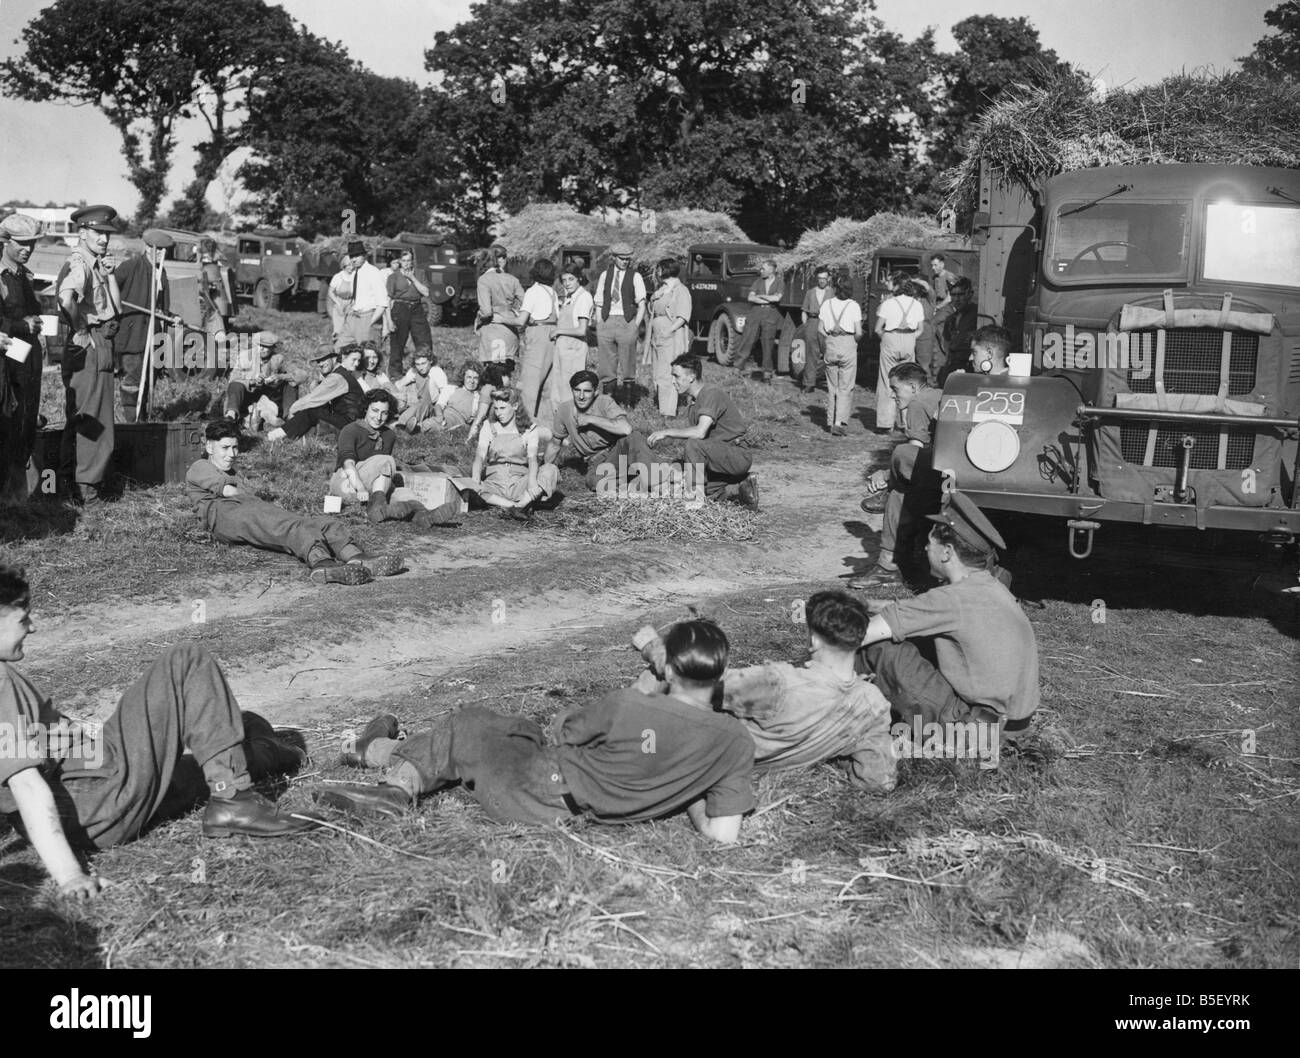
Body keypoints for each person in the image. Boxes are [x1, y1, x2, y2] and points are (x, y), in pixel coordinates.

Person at [0, 562, 321, 900]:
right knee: (187, 660)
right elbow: (26, 785)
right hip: (100, 790)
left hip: (87, 815)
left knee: (220, 745)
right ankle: (234, 799)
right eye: (23, 619)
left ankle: (262, 748)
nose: (32, 628)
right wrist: (70, 877)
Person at [313, 619, 755, 845]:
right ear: (721, 672)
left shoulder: (631, 706)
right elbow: (723, 837)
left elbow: (565, 731)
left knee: (468, 722)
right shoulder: (734, 742)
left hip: (532, 791)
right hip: (576, 814)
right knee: (519, 728)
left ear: (671, 668)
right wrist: (694, 793)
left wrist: (638, 693)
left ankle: (392, 787)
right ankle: (377, 747)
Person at [631, 591, 895, 792]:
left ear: (814, 640)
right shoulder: (873, 703)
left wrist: (653, 647)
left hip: (717, 759)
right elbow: (877, 778)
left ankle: (637, 749)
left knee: (656, 679)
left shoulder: (777, 683)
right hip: (769, 768)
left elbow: (695, 679)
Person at [857, 492, 1040, 749]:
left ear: (947, 552)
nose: (925, 547)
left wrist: (817, 650)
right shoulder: (992, 587)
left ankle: (835, 714)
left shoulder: (950, 600)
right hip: (1013, 726)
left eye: (930, 542)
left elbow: (859, 634)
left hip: (977, 733)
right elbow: (933, 612)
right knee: (918, 637)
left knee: (881, 649)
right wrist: (885, 607)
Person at [186, 419, 400, 584]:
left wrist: (266, 506)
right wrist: (267, 507)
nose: (232, 454)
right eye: (225, 448)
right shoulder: (200, 466)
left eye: (235, 447)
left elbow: (245, 495)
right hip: (223, 515)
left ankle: (356, 557)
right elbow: (229, 491)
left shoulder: (233, 470)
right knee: (288, 524)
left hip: (243, 508)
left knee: (322, 522)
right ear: (209, 447)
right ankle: (322, 564)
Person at [57, 205, 122, 505]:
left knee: (87, 416)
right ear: (82, 233)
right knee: (94, 419)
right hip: (91, 343)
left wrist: (109, 275)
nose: (104, 239)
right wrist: (80, 328)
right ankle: (87, 489)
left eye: (107, 234)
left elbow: (116, 309)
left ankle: (71, 483)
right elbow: (65, 298)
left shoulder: (95, 263)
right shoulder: (79, 262)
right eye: (98, 233)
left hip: (100, 342)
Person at [859, 362, 942, 577]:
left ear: (913, 387)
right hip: (952, 469)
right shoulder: (939, 394)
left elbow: (913, 456)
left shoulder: (917, 404)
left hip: (938, 475)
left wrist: (886, 475)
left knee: (900, 463)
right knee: (898, 490)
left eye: (896, 389)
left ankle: (888, 566)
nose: (893, 396)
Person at [646, 355, 758, 507]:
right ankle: (739, 486)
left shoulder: (711, 394)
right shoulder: (693, 403)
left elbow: (699, 433)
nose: (673, 381)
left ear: (691, 377)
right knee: (681, 480)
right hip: (719, 458)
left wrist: (666, 432)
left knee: (693, 445)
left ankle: (695, 502)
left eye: (676, 376)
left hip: (737, 455)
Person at [545, 370, 655, 492]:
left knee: (635, 438)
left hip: (618, 450)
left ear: (595, 391)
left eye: (587, 391)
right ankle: (632, 480)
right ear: (572, 390)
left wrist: (591, 419)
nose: (581, 396)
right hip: (597, 460)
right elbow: (555, 444)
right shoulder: (564, 410)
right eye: (577, 390)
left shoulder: (604, 401)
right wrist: (544, 469)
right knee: (594, 481)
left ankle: (657, 478)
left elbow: (626, 429)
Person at [0, 213, 45, 499]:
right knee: (8, 420)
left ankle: (17, 495)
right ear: (5, 242)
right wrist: (20, 325)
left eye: (32, 243)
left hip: (28, 357)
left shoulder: (24, 275)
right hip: (6, 359)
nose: (27, 249)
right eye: (21, 243)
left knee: (27, 418)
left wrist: (36, 322)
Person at [467, 386, 558, 517]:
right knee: (467, 485)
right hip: (494, 482)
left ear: (515, 406)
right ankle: (515, 506)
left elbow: (532, 459)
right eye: (496, 408)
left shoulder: (529, 429)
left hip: (519, 482)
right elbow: (480, 456)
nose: (499, 413)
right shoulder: (489, 426)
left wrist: (532, 481)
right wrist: (475, 479)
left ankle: (523, 502)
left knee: (551, 469)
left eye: (503, 408)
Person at [112, 235, 170, 424]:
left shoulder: (161, 271)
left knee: (147, 380)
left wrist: (170, 315)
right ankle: (132, 422)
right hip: (132, 335)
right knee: (133, 379)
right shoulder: (131, 266)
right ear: (146, 247)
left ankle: (142, 416)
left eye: (163, 250)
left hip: (153, 336)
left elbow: (163, 305)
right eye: (156, 249)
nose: (160, 253)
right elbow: (109, 290)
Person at [266, 344, 367, 442]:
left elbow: (312, 399)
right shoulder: (340, 374)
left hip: (351, 425)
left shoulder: (337, 377)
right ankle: (294, 438)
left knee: (311, 411)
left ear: (334, 358)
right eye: (318, 361)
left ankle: (275, 436)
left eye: (324, 359)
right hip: (351, 423)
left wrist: (293, 410)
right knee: (316, 409)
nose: (321, 364)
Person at [505, 258, 559, 427]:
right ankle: (546, 423)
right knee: (546, 383)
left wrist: (501, 318)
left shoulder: (533, 292)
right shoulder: (552, 292)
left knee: (530, 382)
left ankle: (525, 423)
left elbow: (521, 321)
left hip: (537, 335)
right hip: (552, 335)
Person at [591, 242, 646, 403]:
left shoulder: (635, 276)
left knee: (628, 362)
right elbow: (599, 302)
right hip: (607, 321)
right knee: (606, 363)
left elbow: (642, 303)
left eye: (628, 259)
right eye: (622, 259)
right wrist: (600, 323)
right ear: (614, 258)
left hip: (626, 321)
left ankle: (629, 400)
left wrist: (635, 325)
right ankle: (609, 398)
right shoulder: (604, 275)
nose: (625, 262)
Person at [872, 273, 924, 434]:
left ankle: (885, 423)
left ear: (896, 286)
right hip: (909, 339)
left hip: (891, 338)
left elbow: (877, 328)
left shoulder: (888, 303)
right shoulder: (917, 304)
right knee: (908, 380)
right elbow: (920, 329)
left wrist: (887, 338)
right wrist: (909, 339)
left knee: (887, 379)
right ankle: (906, 422)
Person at [223, 331, 299, 431]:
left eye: (266, 346)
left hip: (270, 396)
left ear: (272, 348)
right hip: (248, 394)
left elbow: (301, 376)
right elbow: (233, 380)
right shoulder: (245, 356)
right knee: (235, 385)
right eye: (260, 345)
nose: (262, 349)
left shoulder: (279, 359)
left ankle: (290, 417)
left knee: (291, 383)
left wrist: (280, 377)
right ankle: (231, 415)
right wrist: (251, 381)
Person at [645, 258, 692, 416]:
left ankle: (668, 412)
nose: (656, 273)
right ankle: (661, 406)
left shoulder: (681, 290)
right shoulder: (662, 289)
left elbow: (683, 316)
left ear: (665, 270)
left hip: (670, 336)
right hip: (657, 336)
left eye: (658, 269)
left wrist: (668, 331)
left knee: (668, 372)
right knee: (658, 372)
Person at [818, 276, 863, 436]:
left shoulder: (826, 304)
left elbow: (820, 329)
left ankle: (830, 421)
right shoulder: (854, 306)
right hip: (848, 343)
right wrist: (853, 342)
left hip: (831, 343)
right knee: (846, 386)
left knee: (832, 386)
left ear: (836, 288)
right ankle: (839, 422)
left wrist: (830, 339)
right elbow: (858, 332)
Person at [549, 264, 594, 412]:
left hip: (574, 348)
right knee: (559, 386)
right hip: (563, 348)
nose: (567, 283)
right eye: (564, 280)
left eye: (571, 279)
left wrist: (559, 331)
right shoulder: (570, 297)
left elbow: (581, 330)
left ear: (579, 278)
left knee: (571, 388)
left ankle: (571, 422)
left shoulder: (584, 297)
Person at [735, 258, 784, 382]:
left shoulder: (779, 282)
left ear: (771, 270)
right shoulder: (758, 281)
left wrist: (761, 296)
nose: (761, 271)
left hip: (771, 314)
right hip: (756, 312)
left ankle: (767, 373)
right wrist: (766, 299)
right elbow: (750, 298)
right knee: (748, 338)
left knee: (768, 343)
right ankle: (737, 368)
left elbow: (777, 298)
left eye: (763, 269)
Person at [384, 247, 431, 376]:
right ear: (399, 261)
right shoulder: (393, 277)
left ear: (413, 261)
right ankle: (395, 374)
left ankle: (426, 370)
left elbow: (426, 292)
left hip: (417, 308)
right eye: (404, 260)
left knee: (424, 340)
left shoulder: (420, 273)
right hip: (400, 308)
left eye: (409, 260)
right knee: (397, 344)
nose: (407, 263)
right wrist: (389, 321)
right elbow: (387, 300)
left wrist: (412, 278)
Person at [333, 241, 389, 349]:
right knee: (339, 349)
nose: (353, 259)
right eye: (351, 256)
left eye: (357, 256)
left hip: (367, 317)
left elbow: (382, 303)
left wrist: (370, 322)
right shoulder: (355, 272)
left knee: (367, 355)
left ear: (364, 256)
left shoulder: (374, 272)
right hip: (353, 317)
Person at [475, 244, 524, 363]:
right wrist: (514, 312)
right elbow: (525, 302)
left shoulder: (484, 280)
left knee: (493, 372)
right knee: (507, 370)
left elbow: (486, 312)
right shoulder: (513, 279)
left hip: (492, 328)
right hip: (510, 328)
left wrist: (478, 320)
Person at [393, 350, 450, 433]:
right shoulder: (414, 371)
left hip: (432, 406)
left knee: (422, 405)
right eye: (418, 364)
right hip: (416, 403)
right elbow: (399, 385)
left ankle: (402, 424)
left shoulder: (436, 372)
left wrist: (440, 412)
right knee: (409, 402)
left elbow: (445, 392)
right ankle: (408, 423)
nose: (420, 367)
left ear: (430, 361)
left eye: (423, 363)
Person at [938, 276, 978, 385]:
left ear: (970, 294)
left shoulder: (978, 315)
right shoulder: (951, 319)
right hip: (953, 363)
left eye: (961, 294)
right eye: (953, 295)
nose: (957, 299)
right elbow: (946, 342)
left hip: (970, 365)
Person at [925, 253, 959, 382]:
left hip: (948, 308)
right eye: (932, 265)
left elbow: (951, 297)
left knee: (934, 325)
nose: (933, 268)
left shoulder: (949, 277)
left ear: (942, 264)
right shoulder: (935, 278)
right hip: (938, 307)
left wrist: (937, 308)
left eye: (935, 265)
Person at [799, 265, 832, 394]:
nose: (822, 281)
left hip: (826, 324)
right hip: (812, 322)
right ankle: (809, 384)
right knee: (811, 354)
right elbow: (804, 311)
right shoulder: (810, 292)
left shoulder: (832, 292)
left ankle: (831, 384)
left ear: (828, 279)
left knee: (829, 354)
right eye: (819, 278)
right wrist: (805, 325)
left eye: (824, 278)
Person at [433, 360, 487, 435]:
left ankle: (419, 427)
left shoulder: (478, 398)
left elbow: (476, 419)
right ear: (463, 377)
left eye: (475, 378)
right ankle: (418, 426)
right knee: (432, 423)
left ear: (479, 380)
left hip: (460, 422)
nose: (472, 381)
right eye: (469, 377)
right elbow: (439, 405)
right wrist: (440, 418)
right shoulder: (451, 389)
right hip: (444, 416)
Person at [197, 236, 232, 345]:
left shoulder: (215, 260)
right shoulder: (214, 259)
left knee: (214, 315)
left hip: (214, 294)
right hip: (212, 293)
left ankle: (214, 338)